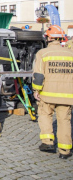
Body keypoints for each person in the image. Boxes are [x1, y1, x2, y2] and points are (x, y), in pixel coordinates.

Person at [32, 25, 73, 159]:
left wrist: (36, 90)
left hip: (47, 94)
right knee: (64, 120)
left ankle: (48, 143)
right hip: (67, 95)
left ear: (48, 38)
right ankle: (64, 150)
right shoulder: (71, 54)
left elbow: (38, 75)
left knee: (45, 115)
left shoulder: (43, 53)